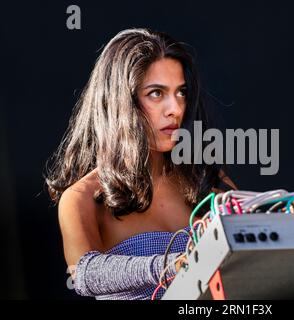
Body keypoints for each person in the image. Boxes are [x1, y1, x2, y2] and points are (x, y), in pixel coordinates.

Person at [45, 28, 236, 300]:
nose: (176, 108)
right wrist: (168, 266)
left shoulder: (206, 181)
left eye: (180, 92)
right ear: (120, 102)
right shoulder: (82, 199)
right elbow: (86, 274)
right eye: (156, 94)